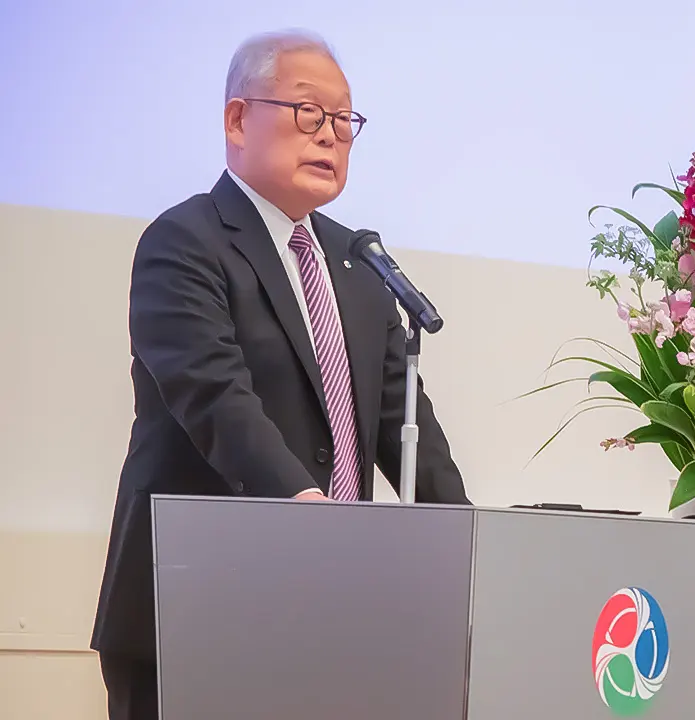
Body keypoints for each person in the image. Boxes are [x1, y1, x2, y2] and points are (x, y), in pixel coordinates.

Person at [90, 29, 471, 720]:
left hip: (336, 617)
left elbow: (405, 422)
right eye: (308, 112)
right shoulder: (186, 242)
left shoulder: (360, 262)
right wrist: (308, 518)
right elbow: (214, 396)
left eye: (344, 121)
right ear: (238, 120)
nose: (330, 135)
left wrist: (472, 546)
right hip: (196, 608)